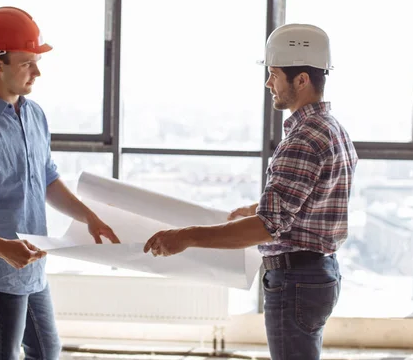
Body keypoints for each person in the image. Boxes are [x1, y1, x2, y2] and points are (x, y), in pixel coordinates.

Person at [143, 23, 358, 360]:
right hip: (319, 273)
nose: (269, 83)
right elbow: (312, 197)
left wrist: (184, 237)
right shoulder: (332, 129)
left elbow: (265, 227)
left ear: (301, 79)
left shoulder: (303, 139)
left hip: (297, 278)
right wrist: (258, 207)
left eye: (274, 74)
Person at [0, 6, 120, 360]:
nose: (37, 72)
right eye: (27, 63)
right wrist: (2, 247)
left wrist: (88, 217)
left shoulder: (33, 115)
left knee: (47, 352)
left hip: (33, 265)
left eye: (37, 62)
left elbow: (47, 179)